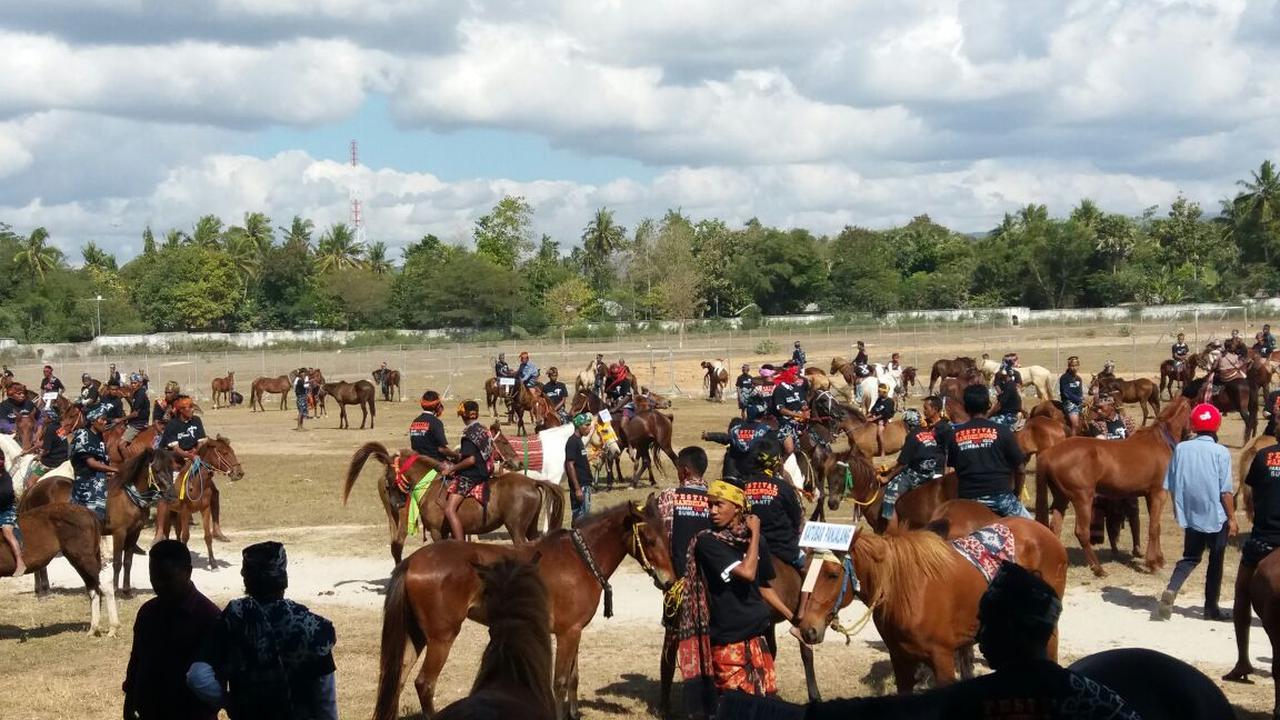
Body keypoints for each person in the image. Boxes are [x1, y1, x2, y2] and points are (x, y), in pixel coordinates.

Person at [931, 562, 1140, 719]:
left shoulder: (965, 702)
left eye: (987, 624)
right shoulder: (1095, 699)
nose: (978, 637)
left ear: (1011, 628)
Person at [187, 542, 337, 720]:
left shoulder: (233, 619)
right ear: (284, 578)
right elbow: (325, 698)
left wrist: (228, 701)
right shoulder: (311, 627)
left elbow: (196, 676)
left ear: (246, 579)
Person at [676, 480, 780, 715]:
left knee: (763, 708)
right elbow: (747, 572)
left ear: (737, 506)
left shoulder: (754, 542)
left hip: (756, 636)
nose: (712, 511)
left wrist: (794, 617)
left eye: (718, 505)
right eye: (710, 505)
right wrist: (755, 535)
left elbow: (762, 586)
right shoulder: (707, 542)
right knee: (733, 709)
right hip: (728, 640)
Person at [1154, 403, 1236, 622]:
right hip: (1216, 516)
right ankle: (1211, 609)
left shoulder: (1180, 448)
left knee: (1190, 557)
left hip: (1191, 516)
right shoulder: (1221, 452)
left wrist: (1180, 509)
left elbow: (1170, 483)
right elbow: (1225, 491)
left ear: (1194, 424)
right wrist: (1233, 518)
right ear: (1216, 425)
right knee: (1215, 561)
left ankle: (1172, 589)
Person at [123, 540, 220, 720]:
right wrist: (129, 704)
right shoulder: (147, 613)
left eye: (166, 578)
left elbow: (217, 681)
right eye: (154, 577)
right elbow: (136, 662)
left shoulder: (209, 617)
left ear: (188, 572)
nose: (158, 585)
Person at [657, 447, 712, 719]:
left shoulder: (670, 497)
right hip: (711, 585)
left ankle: (665, 699)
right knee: (711, 639)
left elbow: (663, 539)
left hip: (678, 581)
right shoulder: (716, 498)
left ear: (685, 470)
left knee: (672, 639)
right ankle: (709, 694)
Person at [1225, 423, 1280, 682]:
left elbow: (1255, 495)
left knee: (1241, 592)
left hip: (1264, 540)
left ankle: (1243, 660)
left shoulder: (1262, 457)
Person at [940, 384, 1030, 519]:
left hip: (968, 500)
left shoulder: (955, 435)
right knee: (1035, 529)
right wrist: (1016, 493)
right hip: (1001, 498)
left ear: (965, 407)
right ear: (988, 405)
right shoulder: (1003, 431)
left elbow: (953, 470)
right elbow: (1021, 469)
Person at [880, 398, 945, 525]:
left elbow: (903, 463)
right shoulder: (927, 433)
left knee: (891, 491)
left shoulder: (911, 437)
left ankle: (887, 524)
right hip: (931, 471)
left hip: (917, 474)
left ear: (906, 424)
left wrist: (887, 478)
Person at [742, 439, 804, 572]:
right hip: (784, 549)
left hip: (748, 548)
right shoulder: (784, 487)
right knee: (811, 572)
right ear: (776, 462)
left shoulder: (742, 486)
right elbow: (796, 518)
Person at [436, 400, 493, 542]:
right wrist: (455, 456)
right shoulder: (483, 429)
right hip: (485, 470)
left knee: (449, 510)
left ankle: (460, 545)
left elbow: (471, 460)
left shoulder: (469, 434)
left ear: (464, 415)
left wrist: (452, 469)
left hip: (472, 475)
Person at [702, 407, 775, 484]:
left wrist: (709, 435)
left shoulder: (735, 437)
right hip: (751, 471)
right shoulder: (759, 434)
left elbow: (725, 437)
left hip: (732, 472)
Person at [70, 403, 116, 522]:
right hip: (87, 479)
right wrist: (114, 469)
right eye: (102, 419)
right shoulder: (83, 434)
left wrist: (109, 470)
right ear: (93, 420)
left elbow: (102, 458)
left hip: (100, 476)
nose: (105, 422)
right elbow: (91, 463)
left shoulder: (99, 435)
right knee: (94, 516)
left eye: (106, 419)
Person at [769, 365, 807, 459]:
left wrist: (805, 408)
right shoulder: (779, 389)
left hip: (800, 420)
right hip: (784, 423)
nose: (797, 377)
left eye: (798, 374)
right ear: (789, 375)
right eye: (795, 374)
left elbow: (802, 402)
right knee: (790, 449)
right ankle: (783, 466)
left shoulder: (796, 387)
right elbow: (781, 409)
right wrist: (798, 414)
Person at [564, 413, 595, 523]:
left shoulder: (579, 441)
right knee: (581, 520)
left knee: (583, 518)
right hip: (580, 487)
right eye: (586, 425)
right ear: (578, 426)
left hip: (585, 486)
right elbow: (569, 464)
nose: (589, 427)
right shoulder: (572, 441)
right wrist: (577, 489)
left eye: (590, 424)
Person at [161, 395, 207, 463]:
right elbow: (176, 449)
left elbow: (201, 442)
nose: (193, 409)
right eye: (190, 407)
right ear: (181, 410)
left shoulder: (196, 420)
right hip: (174, 458)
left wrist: (195, 450)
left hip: (192, 455)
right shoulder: (172, 425)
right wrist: (189, 456)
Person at [409, 391, 451, 462]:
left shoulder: (415, 421)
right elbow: (442, 449)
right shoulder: (436, 422)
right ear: (437, 405)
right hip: (433, 464)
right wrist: (456, 455)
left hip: (418, 462)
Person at [0, 455, 22, 576]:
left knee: (7, 531)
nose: (0, 461)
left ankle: (20, 562)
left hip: (7, 509)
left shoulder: (5, 476)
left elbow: (7, 494)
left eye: (2, 458)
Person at [989, 355, 1022, 427]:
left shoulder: (1015, 376)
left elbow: (1018, 386)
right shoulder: (1001, 376)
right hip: (1004, 398)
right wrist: (1001, 394)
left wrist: (987, 415)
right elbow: (996, 385)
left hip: (1009, 409)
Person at [867, 383, 896, 457]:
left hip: (883, 420)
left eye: (879, 391)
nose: (878, 393)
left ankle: (882, 451)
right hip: (875, 417)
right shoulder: (879, 399)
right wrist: (868, 415)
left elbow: (885, 413)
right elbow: (874, 409)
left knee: (879, 433)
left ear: (885, 392)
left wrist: (874, 418)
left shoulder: (890, 401)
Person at [1058, 356, 1085, 435]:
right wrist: (1078, 400)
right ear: (1069, 366)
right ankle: (1072, 440)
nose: (1074, 368)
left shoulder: (1078, 379)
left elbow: (1080, 392)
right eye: (1072, 366)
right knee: (1075, 424)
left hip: (1078, 401)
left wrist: (1082, 399)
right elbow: (1066, 393)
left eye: (1076, 365)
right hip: (1068, 402)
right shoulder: (1064, 378)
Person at [123, 374, 150, 444]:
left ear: (140, 383)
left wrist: (120, 419)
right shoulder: (137, 393)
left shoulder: (140, 394)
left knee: (121, 444)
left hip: (138, 424)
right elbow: (134, 406)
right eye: (131, 383)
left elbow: (135, 414)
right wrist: (127, 398)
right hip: (135, 422)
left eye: (135, 383)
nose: (133, 385)